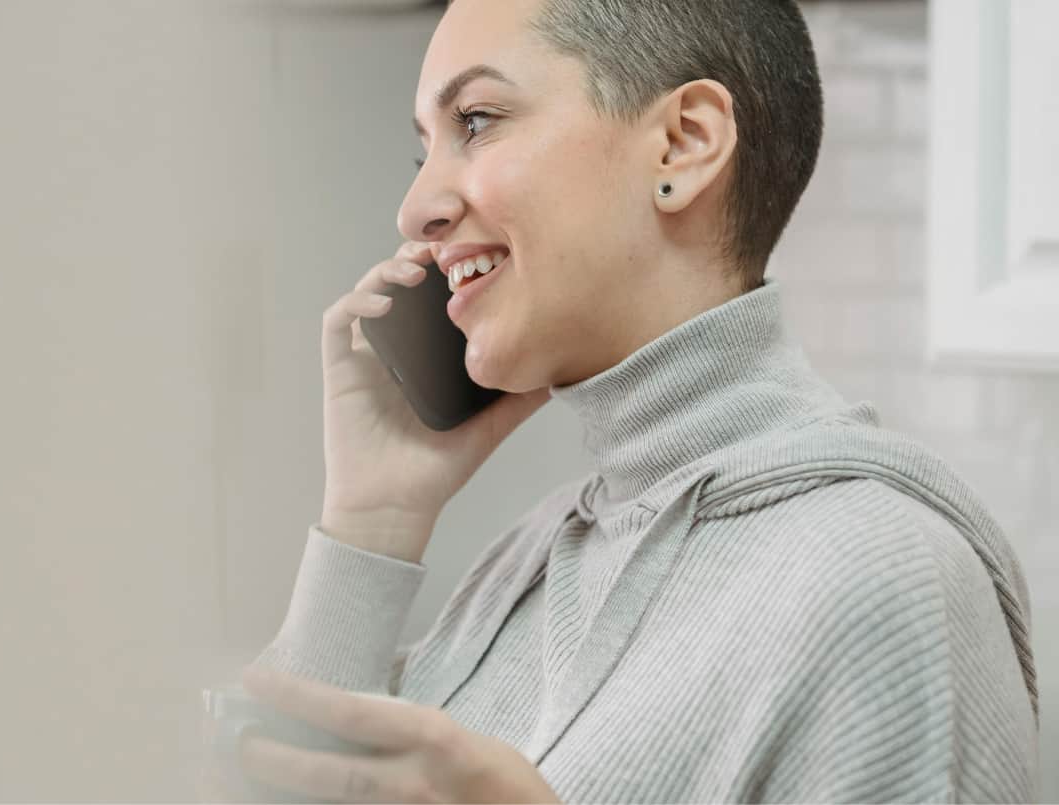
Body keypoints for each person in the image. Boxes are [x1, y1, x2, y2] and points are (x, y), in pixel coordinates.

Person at [204, 0, 1038, 801]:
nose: (417, 208)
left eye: (478, 122)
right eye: (426, 154)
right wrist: (371, 519)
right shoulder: (532, 562)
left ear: (683, 144)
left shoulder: (883, 578)